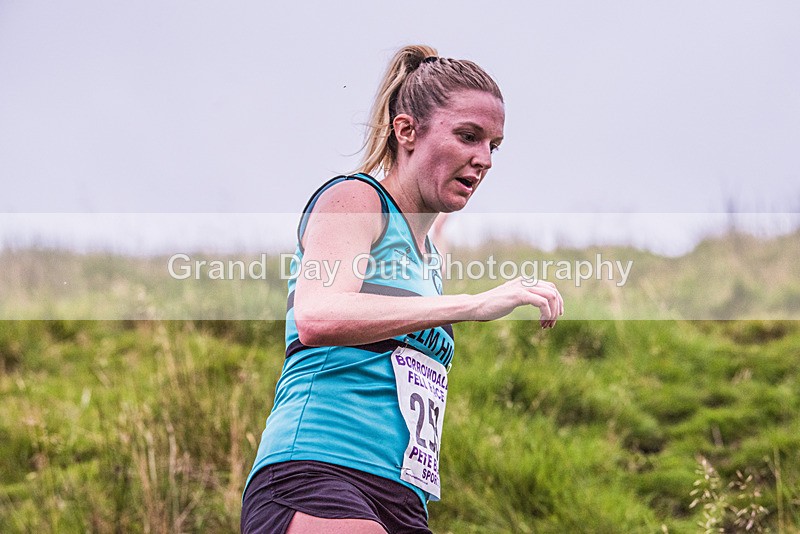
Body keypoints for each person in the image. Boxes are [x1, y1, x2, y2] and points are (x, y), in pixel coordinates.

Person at [241, 44, 564, 534]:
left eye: (493, 146)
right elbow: (317, 315)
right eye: (468, 136)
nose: (484, 159)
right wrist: (475, 304)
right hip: (316, 473)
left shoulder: (426, 258)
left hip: (402, 496)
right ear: (406, 130)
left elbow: (428, 234)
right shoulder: (354, 198)